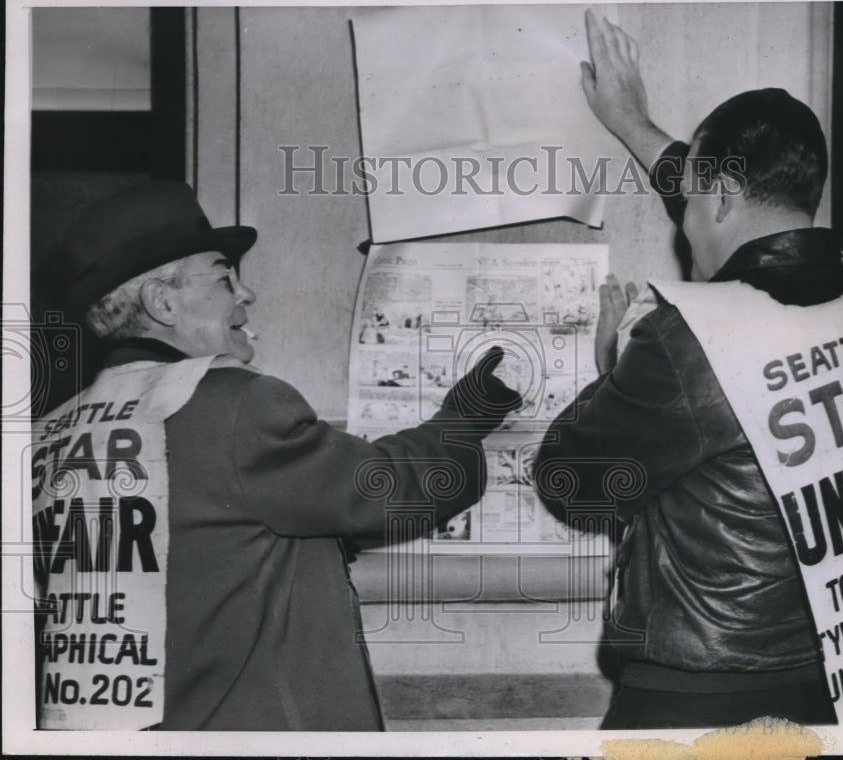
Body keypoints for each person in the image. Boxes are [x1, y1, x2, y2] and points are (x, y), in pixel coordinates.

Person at [533, 11, 843, 728]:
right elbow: (722, 187)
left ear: (715, 196)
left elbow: (567, 475)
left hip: (710, 702)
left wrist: (610, 369)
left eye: (694, 201)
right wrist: (633, 123)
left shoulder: (690, 337)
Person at [31, 181, 521, 731]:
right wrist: (463, 420)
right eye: (223, 276)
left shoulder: (50, 433)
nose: (245, 295)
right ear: (162, 301)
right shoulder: (236, 404)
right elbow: (389, 488)